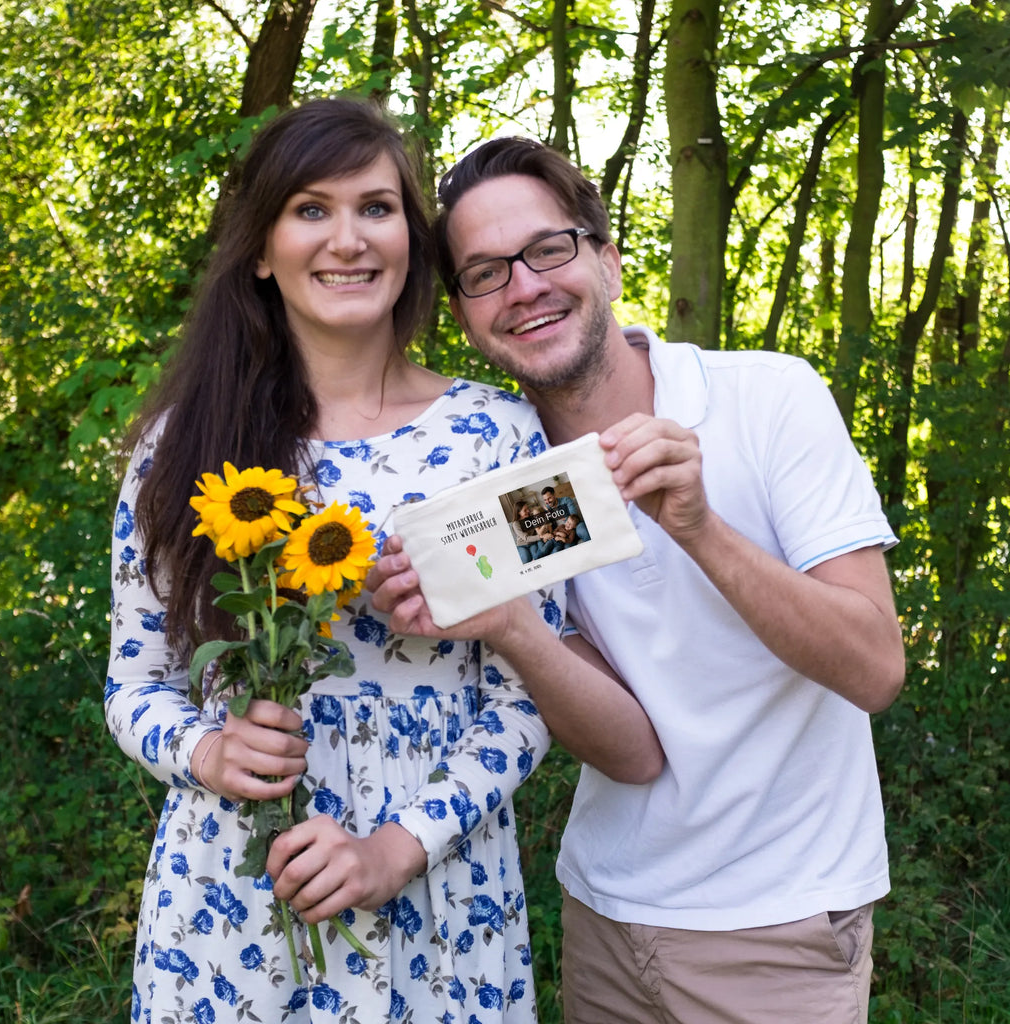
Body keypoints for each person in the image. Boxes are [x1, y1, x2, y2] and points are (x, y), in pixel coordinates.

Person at [104, 102, 661, 1024]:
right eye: (310, 210)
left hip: (443, 902)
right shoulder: (181, 447)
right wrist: (206, 748)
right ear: (259, 247)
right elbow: (134, 680)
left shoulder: (505, 435)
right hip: (234, 902)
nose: (349, 239)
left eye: (376, 207)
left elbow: (530, 695)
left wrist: (398, 847)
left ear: (411, 238)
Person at [368, 136, 905, 1024]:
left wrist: (697, 527)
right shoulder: (509, 479)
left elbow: (875, 667)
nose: (526, 286)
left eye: (549, 249)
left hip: (780, 925)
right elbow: (634, 748)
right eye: (485, 272)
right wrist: (507, 625)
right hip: (606, 913)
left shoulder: (767, 398)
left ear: (607, 260)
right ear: (465, 314)